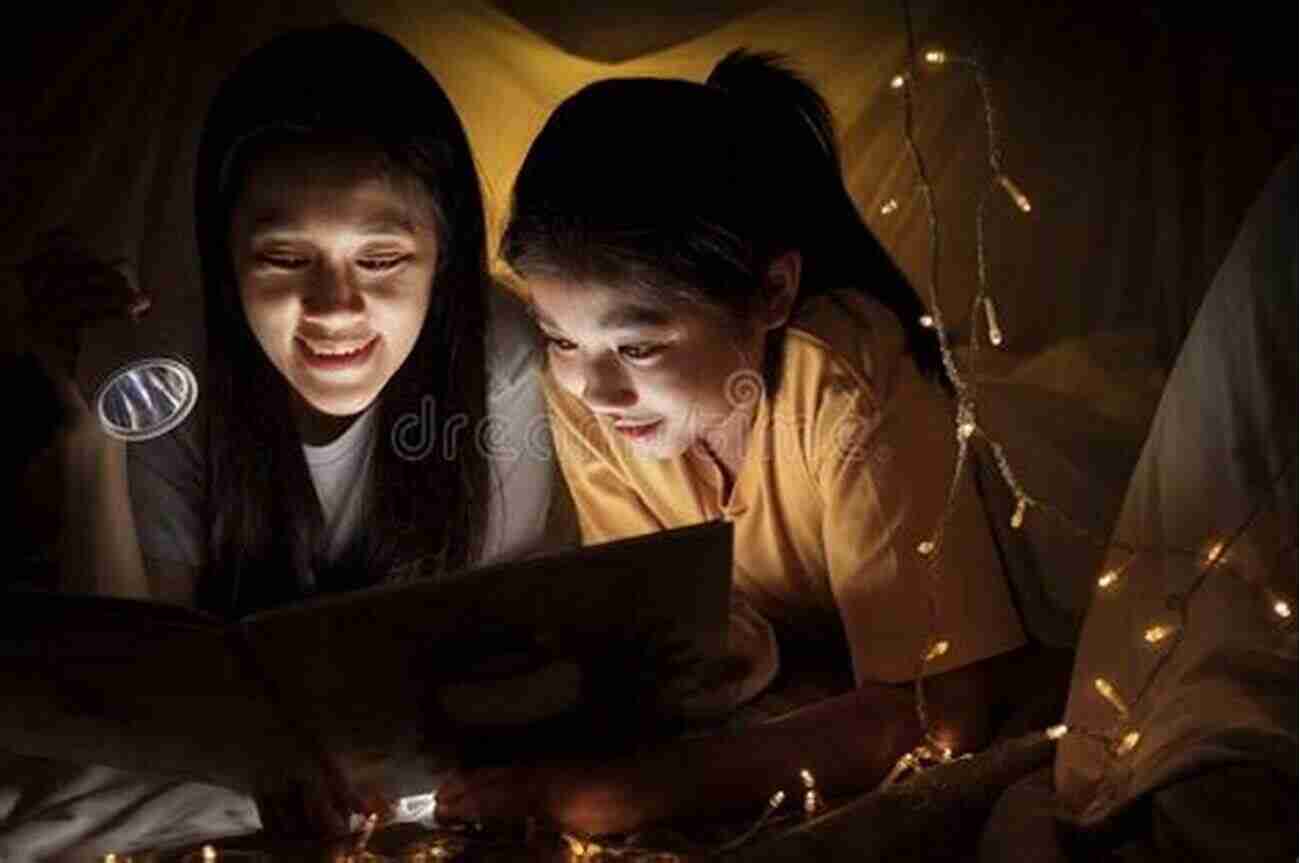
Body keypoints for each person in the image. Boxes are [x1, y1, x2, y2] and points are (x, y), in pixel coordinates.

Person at [436, 50, 1058, 835]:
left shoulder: (842, 382)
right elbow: (674, 654)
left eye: (638, 347)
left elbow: (942, 713)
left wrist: (621, 795)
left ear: (771, 293)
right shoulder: (596, 402)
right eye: (561, 340)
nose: (592, 387)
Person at [3, 23, 569, 855]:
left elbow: (495, 644)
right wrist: (90, 432)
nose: (335, 307)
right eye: (284, 257)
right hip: (213, 759)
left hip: (420, 757)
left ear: (443, 259)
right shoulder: (166, 371)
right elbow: (139, 694)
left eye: (381, 259)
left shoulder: (498, 357)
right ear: (225, 258)